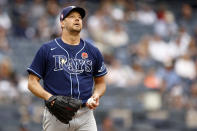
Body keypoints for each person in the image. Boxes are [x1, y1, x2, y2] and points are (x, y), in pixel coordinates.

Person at [27, 6, 107, 131]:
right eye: (72, 17)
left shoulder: (93, 51)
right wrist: (49, 98)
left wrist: (95, 95)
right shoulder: (47, 49)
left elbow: (101, 83)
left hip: (85, 114)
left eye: (79, 17)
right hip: (56, 114)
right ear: (62, 23)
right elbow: (32, 82)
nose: (77, 20)